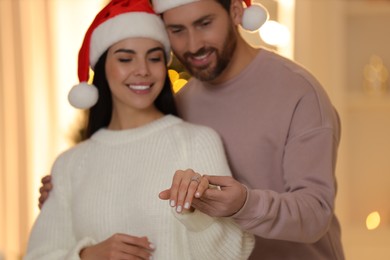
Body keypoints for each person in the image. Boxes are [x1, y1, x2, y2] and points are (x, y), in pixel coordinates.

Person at [39, 0, 345, 259]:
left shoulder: (298, 93)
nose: (193, 45)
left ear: (237, 12)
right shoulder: (181, 104)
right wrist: (71, 195)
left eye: (204, 23)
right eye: (177, 30)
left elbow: (316, 213)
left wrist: (244, 204)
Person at [25, 0, 255, 259]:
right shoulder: (71, 164)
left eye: (154, 58)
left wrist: (195, 214)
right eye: (126, 58)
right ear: (102, 68)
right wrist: (86, 255)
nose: (143, 71)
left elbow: (232, 254)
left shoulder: (197, 142)